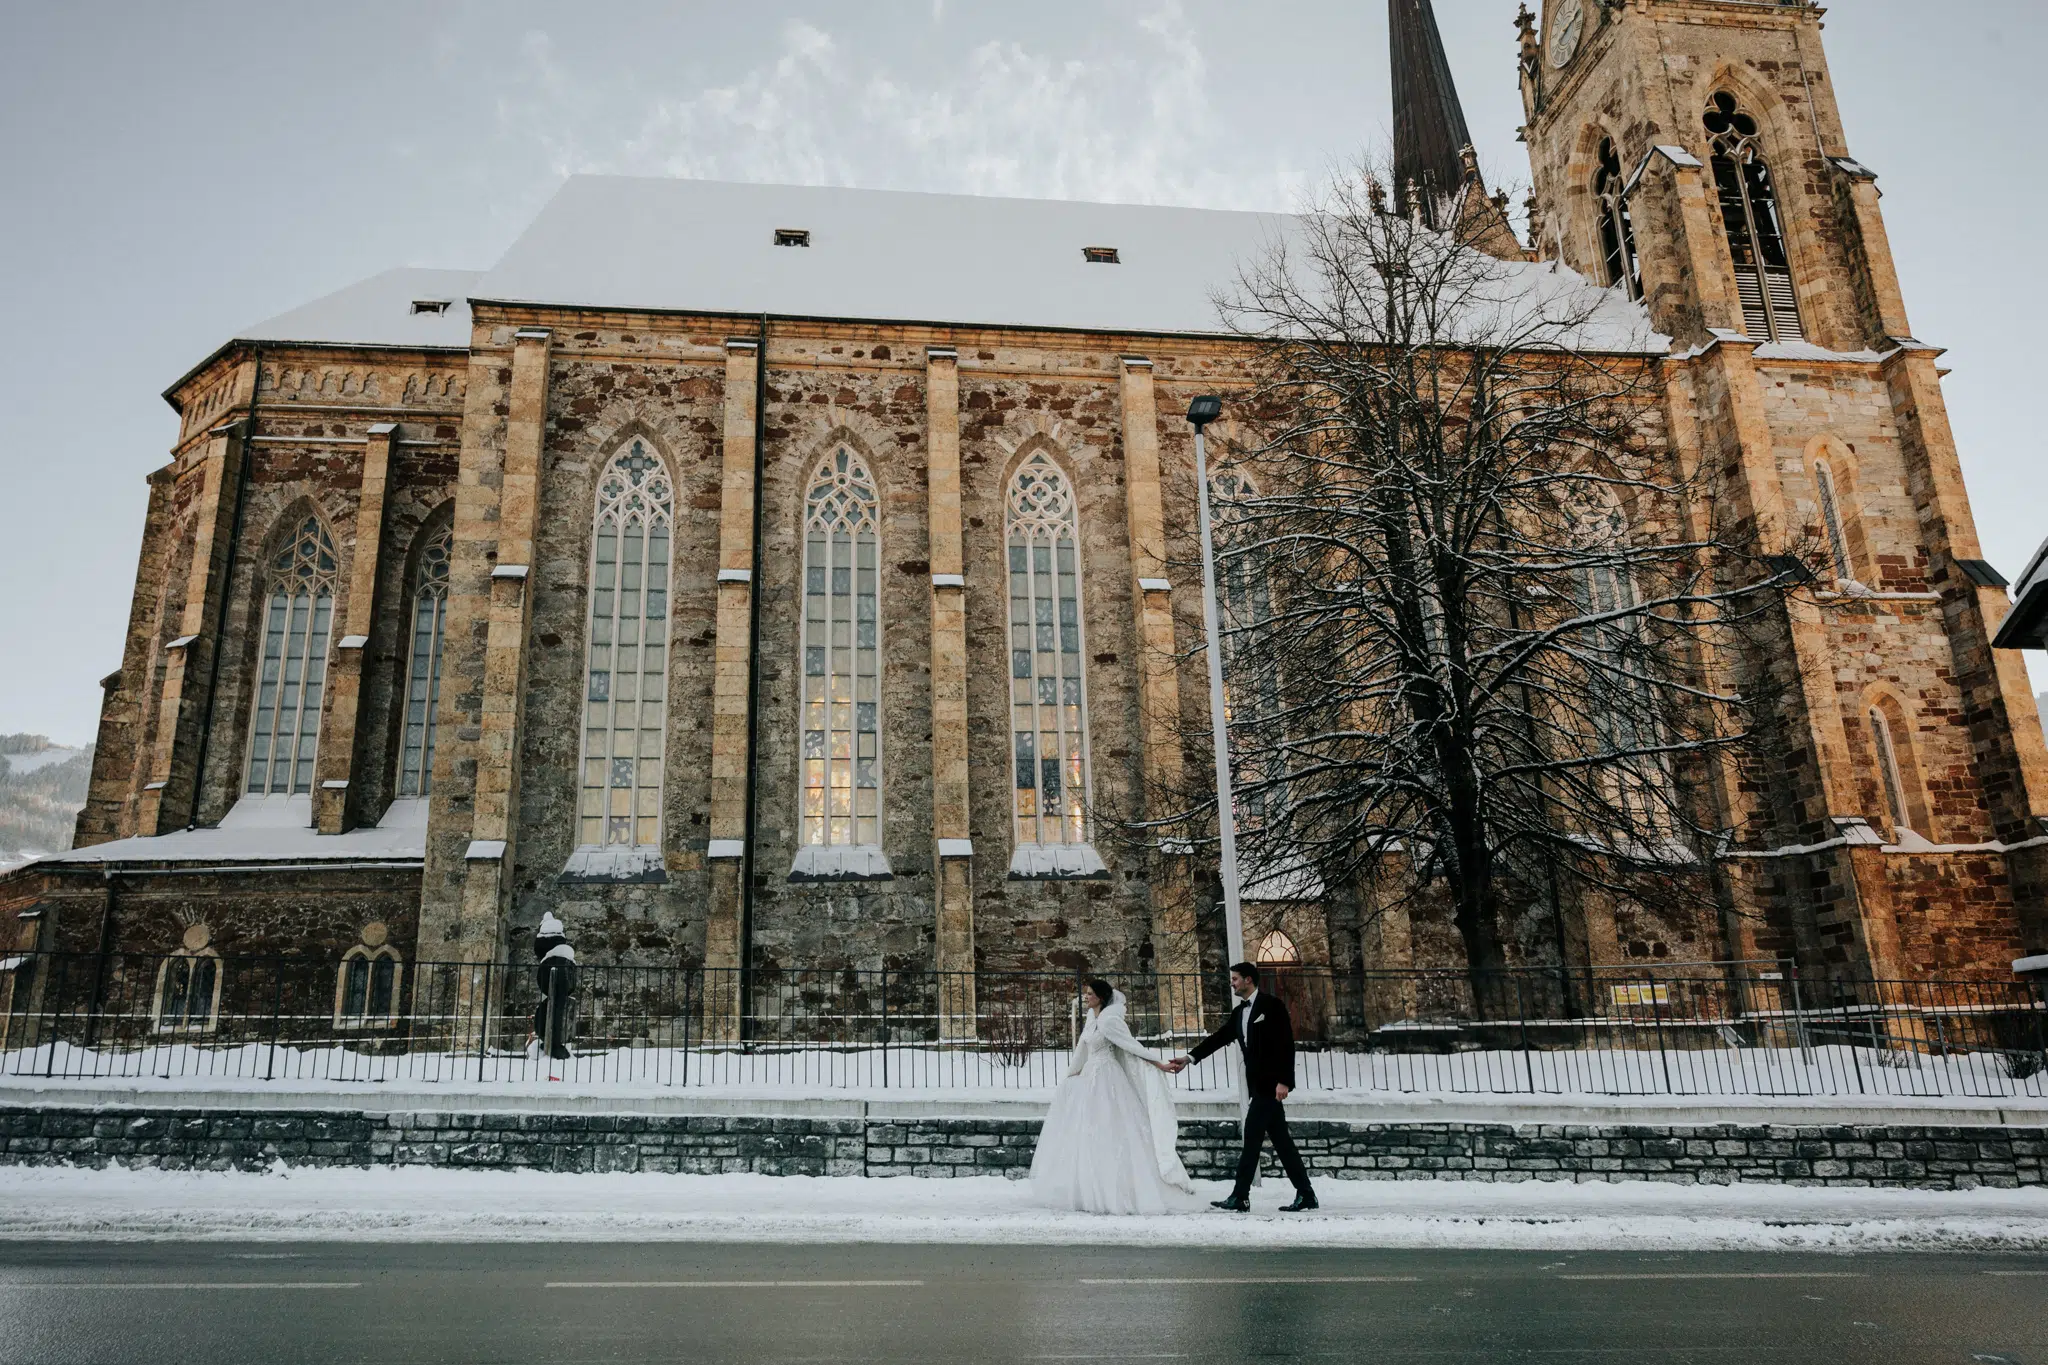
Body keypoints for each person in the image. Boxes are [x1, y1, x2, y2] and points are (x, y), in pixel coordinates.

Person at [1029, 978, 1198, 1214]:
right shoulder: (1092, 1019)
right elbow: (1082, 1049)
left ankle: (1122, 1191)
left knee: (1115, 1130)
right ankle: (1090, 1188)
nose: (1085, 997)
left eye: (1089, 994)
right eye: (1086, 993)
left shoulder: (1109, 1020)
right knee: (1089, 1133)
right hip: (1090, 1079)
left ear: (1100, 997)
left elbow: (1131, 1046)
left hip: (1108, 1079)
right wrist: (1071, 1075)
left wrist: (1159, 1064)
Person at [1169, 961, 1319, 1212]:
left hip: (1271, 1086)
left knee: (1251, 1139)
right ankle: (1306, 1194)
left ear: (1248, 980)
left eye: (1235, 979)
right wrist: (1189, 1058)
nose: (1232, 983)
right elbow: (1219, 1038)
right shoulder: (1240, 1012)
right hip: (1257, 1086)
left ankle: (1240, 1195)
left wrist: (1285, 1081)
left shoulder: (1272, 1006)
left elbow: (1285, 1044)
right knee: (1282, 1143)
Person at [527, 912, 578, 1064]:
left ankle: (553, 1043)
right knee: (552, 1009)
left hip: (555, 997)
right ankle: (551, 1042)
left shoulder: (554, 962)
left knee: (555, 1010)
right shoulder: (561, 961)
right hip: (554, 997)